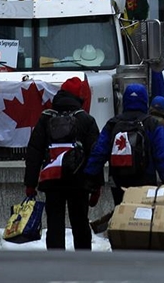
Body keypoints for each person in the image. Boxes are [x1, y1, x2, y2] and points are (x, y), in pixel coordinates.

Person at [24, 77, 99, 251]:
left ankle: (56, 263)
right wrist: (96, 186)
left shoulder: (45, 118)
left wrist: (30, 183)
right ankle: (83, 261)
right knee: (80, 223)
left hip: (52, 180)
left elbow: (34, 152)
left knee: (54, 224)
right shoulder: (86, 119)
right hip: (79, 182)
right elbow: (95, 154)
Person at [84, 83, 164, 205]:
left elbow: (99, 151)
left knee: (121, 211)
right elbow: (163, 155)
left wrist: (90, 176)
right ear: (145, 101)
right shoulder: (153, 124)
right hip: (145, 180)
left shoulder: (113, 123)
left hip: (118, 180)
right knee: (143, 215)